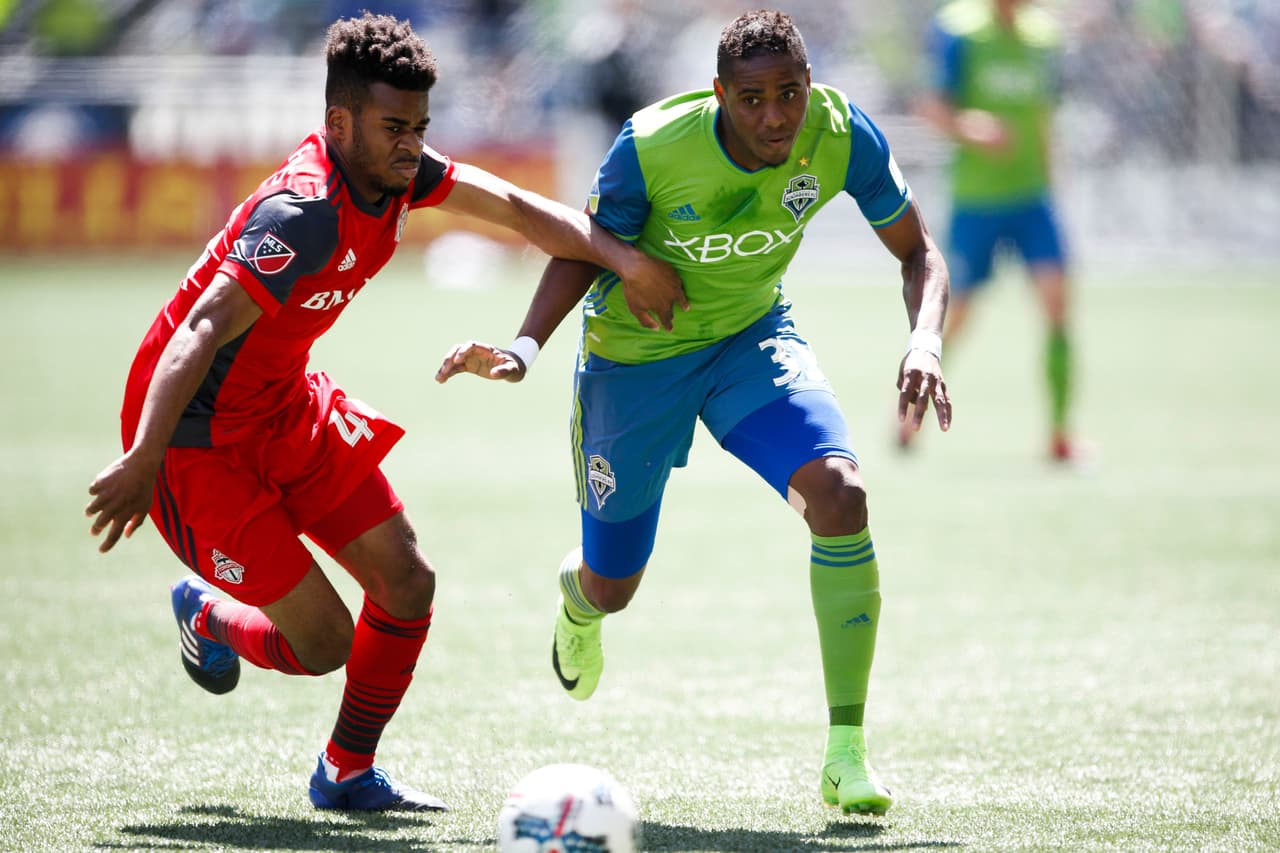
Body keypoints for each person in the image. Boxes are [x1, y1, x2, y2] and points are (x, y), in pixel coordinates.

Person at [83, 12, 683, 813]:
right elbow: (197, 330)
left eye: (421, 125)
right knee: (325, 640)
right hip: (189, 443)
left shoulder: (401, 173)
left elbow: (510, 205)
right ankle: (212, 618)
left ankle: (345, 771)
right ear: (339, 123)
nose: (413, 143)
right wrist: (145, 458)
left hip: (281, 406)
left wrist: (622, 258)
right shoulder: (301, 213)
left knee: (407, 580)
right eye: (395, 126)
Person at [436, 9, 951, 817]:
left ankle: (846, 751)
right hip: (635, 361)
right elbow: (583, 244)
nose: (775, 115)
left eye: (789, 93)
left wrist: (924, 339)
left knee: (842, 495)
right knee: (615, 586)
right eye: (752, 99)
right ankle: (578, 596)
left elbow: (917, 250)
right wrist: (525, 348)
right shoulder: (651, 145)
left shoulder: (841, 132)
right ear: (719, 95)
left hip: (751, 339)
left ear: (809, 85)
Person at [908, 0, 1078, 461]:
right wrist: (970, 127)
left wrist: (1053, 180)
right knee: (957, 313)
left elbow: (1045, 115)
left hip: (1033, 198)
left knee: (1058, 305)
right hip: (977, 200)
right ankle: (909, 415)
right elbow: (929, 105)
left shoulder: (1045, 36)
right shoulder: (957, 29)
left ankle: (1060, 436)